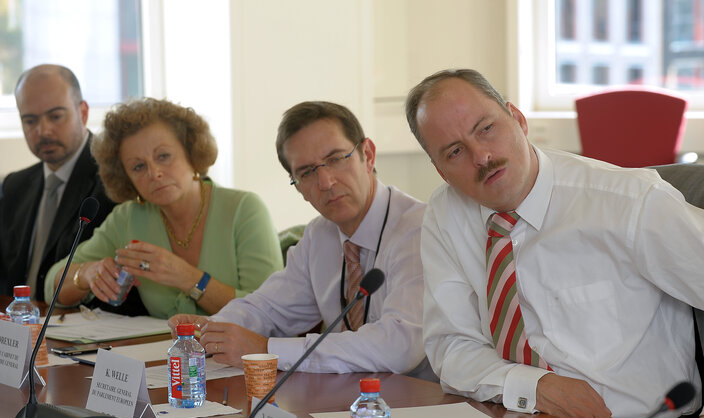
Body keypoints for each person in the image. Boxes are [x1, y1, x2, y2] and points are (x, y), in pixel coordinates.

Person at [405, 68, 704, 418]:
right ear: (441, 170)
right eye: (455, 151)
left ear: (518, 119)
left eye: (487, 128)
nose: (482, 157)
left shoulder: (624, 201)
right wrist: (537, 385)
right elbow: (451, 346)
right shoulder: (445, 212)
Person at [170, 101, 431, 378]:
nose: (326, 182)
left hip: (427, 405)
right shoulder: (320, 235)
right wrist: (212, 329)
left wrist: (266, 349)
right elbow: (269, 309)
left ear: (368, 155)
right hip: (346, 403)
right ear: (298, 187)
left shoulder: (418, 229)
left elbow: (399, 347)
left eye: (336, 159)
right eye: (307, 172)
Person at [45, 98, 283, 318]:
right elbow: (51, 285)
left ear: (192, 152)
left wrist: (188, 278)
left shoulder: (245, 209)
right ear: (126, 177)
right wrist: (85, 274)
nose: (154, 173)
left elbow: (272, 311)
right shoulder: (128, 218)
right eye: (138, 167)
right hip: (165, 360)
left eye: (164, 156)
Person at [0, 64, 114, 300]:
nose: (43, 131)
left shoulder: (113, 182)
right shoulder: (14, 186)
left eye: (55, 116)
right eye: (30, 121)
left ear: (83, 113)